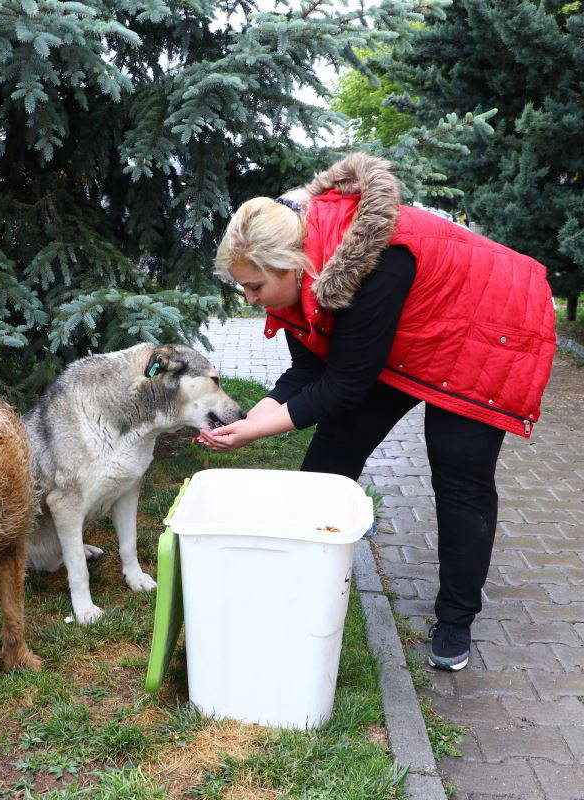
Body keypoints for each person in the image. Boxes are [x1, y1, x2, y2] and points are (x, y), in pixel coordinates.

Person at [201, 153, 556, 671]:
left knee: (458, 471)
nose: (252, 298)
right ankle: (307, 577)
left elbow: (343, 385)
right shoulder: (304, 271)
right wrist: (255, 418)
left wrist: (257, 433)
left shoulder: (376, 260)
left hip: (486, 323)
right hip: (411, 329)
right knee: (334, 447)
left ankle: (456, 617)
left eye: (255, 287)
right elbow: (308, 373)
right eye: (244, 288)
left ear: (292, 264)